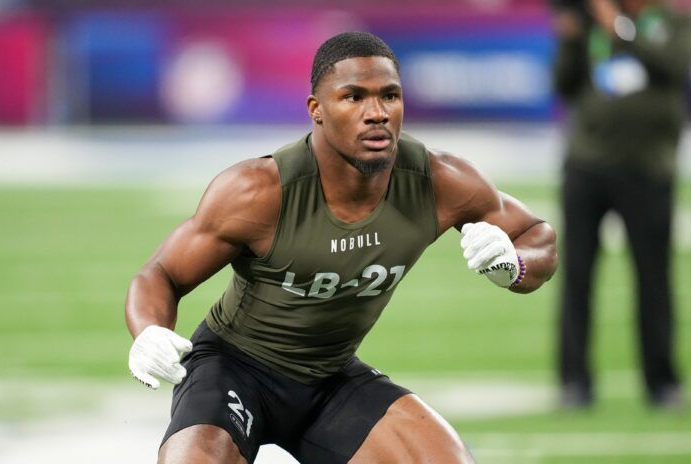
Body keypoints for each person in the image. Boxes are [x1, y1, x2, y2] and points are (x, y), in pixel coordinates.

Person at [125, 31, 558, 464]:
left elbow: (537, 235)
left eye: (390, 96)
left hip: (329, 378)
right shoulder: (258, 191)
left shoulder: (440, 182)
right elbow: (161, 273)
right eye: (354, 98)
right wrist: (148, 331)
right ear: (316, 109)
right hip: (234, 368)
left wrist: (514, 265)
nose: (377, 114)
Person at [553, 0, 690, 408]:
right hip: (586, 165)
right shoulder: (587, 24)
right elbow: (563, 84)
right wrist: (571, 39)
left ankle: (661, 382)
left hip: (648, 168)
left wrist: (621, 29)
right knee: (576, 276)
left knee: (653, 278)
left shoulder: (671, 22)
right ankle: (574, 382)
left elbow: (675, 65)